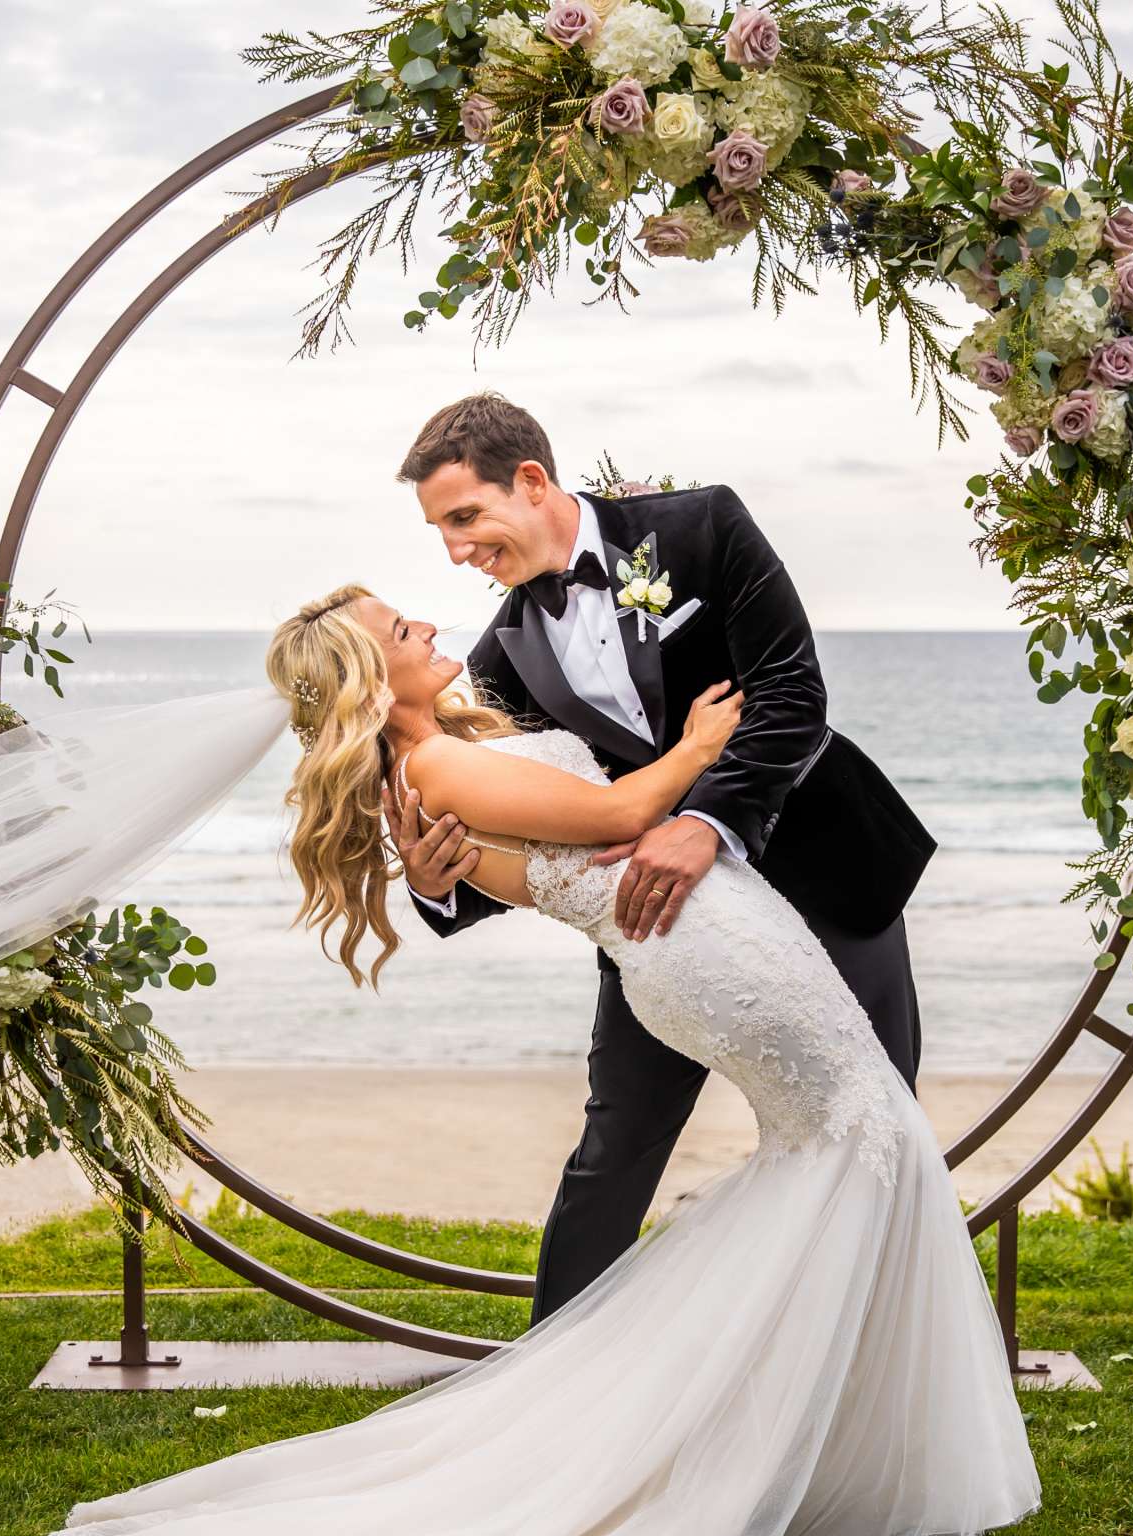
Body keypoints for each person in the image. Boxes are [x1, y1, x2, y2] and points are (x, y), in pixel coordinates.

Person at [13, 584, 1040, 1536]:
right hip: (693, 936)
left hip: (725, 916)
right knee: (856, 1137)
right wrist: (698, 740)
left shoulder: (463, 726)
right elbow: (616, 810)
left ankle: (789, 1442)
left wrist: (474, 855)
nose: (431, 608)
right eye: (400, 627)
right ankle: (750, 1442)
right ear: (373, 675)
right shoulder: (441, 757)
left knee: (847, 1144)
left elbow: (530, 848)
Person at [387, 391, 938, 1321]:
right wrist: (436, 884)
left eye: (464, 517)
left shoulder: (703, 526)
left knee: (877, 1116)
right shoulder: (503, 659)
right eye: (442, 529)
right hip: (662, 928)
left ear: (530, 482)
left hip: (824, 870)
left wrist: (707, 823)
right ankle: (552, 1376)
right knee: (617, 1147)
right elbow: (534, 822)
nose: (455, 550)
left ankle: (855, 1358)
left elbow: (791, 695)